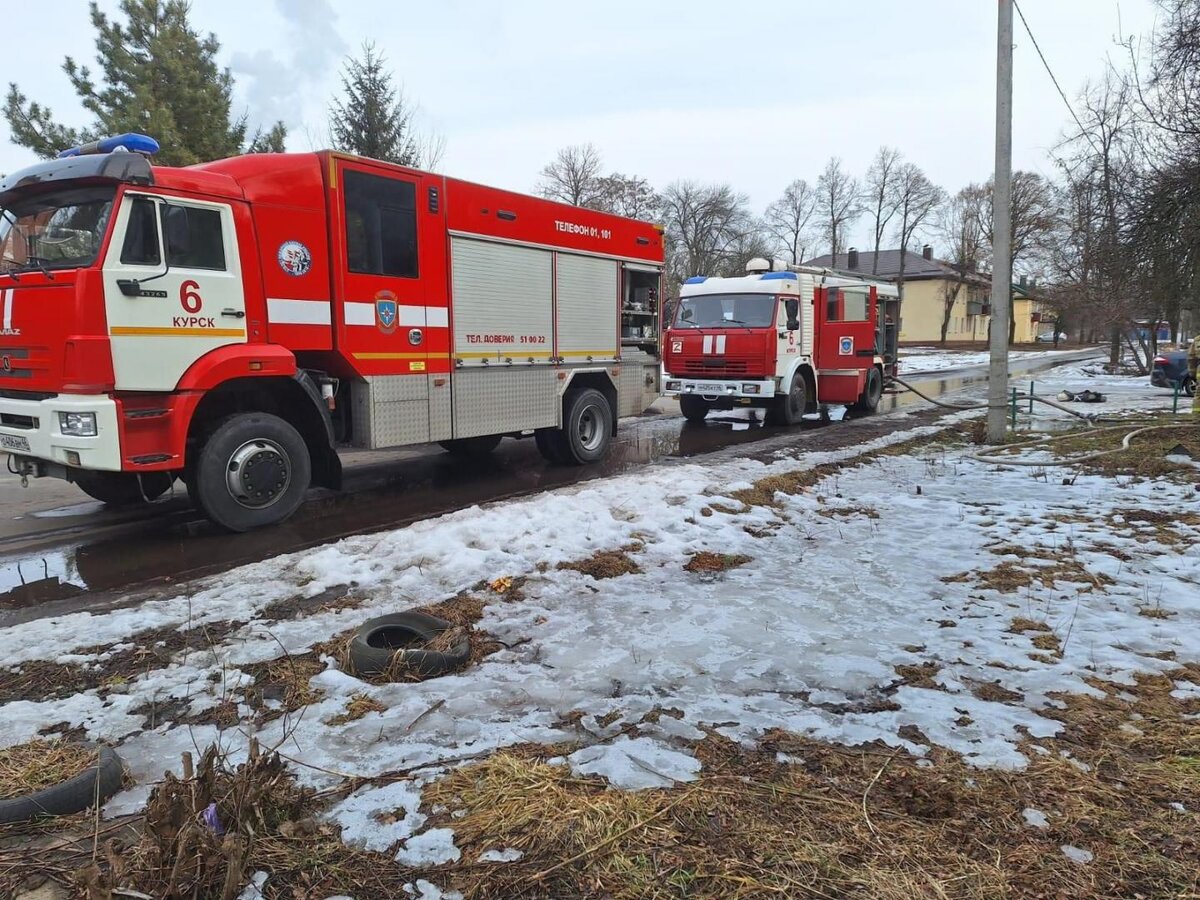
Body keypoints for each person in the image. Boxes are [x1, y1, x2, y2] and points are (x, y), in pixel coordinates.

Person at [1190, 333, 1200, 413]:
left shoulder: (1197, 339)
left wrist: (1192, 373)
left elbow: (1191, 357)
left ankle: (1196, 417)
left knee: (1199, 394)